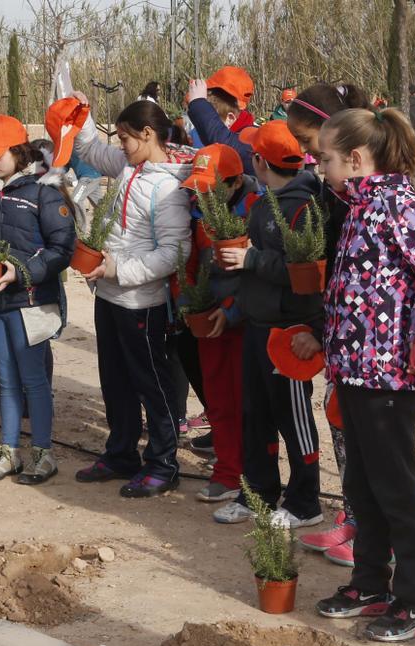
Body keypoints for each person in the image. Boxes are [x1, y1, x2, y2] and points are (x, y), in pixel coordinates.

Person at [314, 107, 415, 643]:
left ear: (354, 158)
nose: (319, 166)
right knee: (361, 482)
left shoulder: (399, 206)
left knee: (396, 486)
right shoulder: (359, 207)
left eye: (325, 158)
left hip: (390, 373)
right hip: (352, 367)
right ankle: (370, 582)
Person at [69, 94, 193, 498]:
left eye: (125, 137)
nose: (119, 145)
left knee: (151, 383)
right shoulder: (127, 167)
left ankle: (163, 462)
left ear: (147, 134)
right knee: (115, 380)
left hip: (142, 301)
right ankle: (120, 451)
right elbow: (90, 148)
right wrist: (81, 114)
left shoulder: (168, 186)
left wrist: (121, 269)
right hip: (109, 296)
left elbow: (175, 252)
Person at [210, 122, 324, 530]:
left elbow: (306, 271)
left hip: (290, 332)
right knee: (254, 414)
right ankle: (257, 491)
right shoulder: (263, 202)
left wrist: (252, 260)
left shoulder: (303, 207)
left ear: (260, 161)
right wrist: (236, 306)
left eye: (251, 155)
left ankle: (305, 500)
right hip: (258, 325)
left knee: (293, 418)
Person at [285, 80, 374, 565]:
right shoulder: (332, 193)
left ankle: (370, 534)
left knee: (363, 434)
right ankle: (354, 519)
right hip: (342, 337)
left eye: (310, 146)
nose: (307, 157)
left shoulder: (365, 204)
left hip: (369, 347)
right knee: (340, 421)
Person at [0, 115, 74, 486]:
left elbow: (63, 248)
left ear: (19, 151)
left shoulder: (43, 194)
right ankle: (8, 450)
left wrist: (22, 271)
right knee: (5, 380)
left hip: (31, 300)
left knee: (33, 380)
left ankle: (43, 453)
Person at [179, 143, 259, 500]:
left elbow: (264, 274)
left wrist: (233, 310)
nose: (204, 194)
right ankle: (227, 470)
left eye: (212, 187)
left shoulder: (258, 210)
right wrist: (185, 300)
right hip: (208, 322)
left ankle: (253, 475)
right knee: (218, 399)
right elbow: (191, 263)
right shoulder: (199, 210)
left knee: (249, 403)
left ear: (237, 181)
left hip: (246, 324)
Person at [186, 66, 257, 174]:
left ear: (230, 118)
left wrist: (198, 104)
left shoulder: (249, 138)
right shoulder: (235, 125)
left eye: (212, 115)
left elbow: (222, 141)